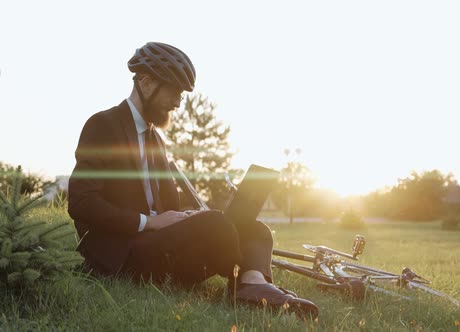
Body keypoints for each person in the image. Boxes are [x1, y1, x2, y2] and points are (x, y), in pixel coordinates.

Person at [68, 42, 318, 318]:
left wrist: (187, 215)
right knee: (215, 224)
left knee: (256, 229)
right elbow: (81, 203)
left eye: (182, 95)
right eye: (174, 92)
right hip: (123, 254)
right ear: (148, 83)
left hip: (158, 247)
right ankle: (248, 285)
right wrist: (148, 222)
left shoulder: (156, 142)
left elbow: (169, 208)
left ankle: (252, 285)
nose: (177, 102)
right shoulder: (103, 125)